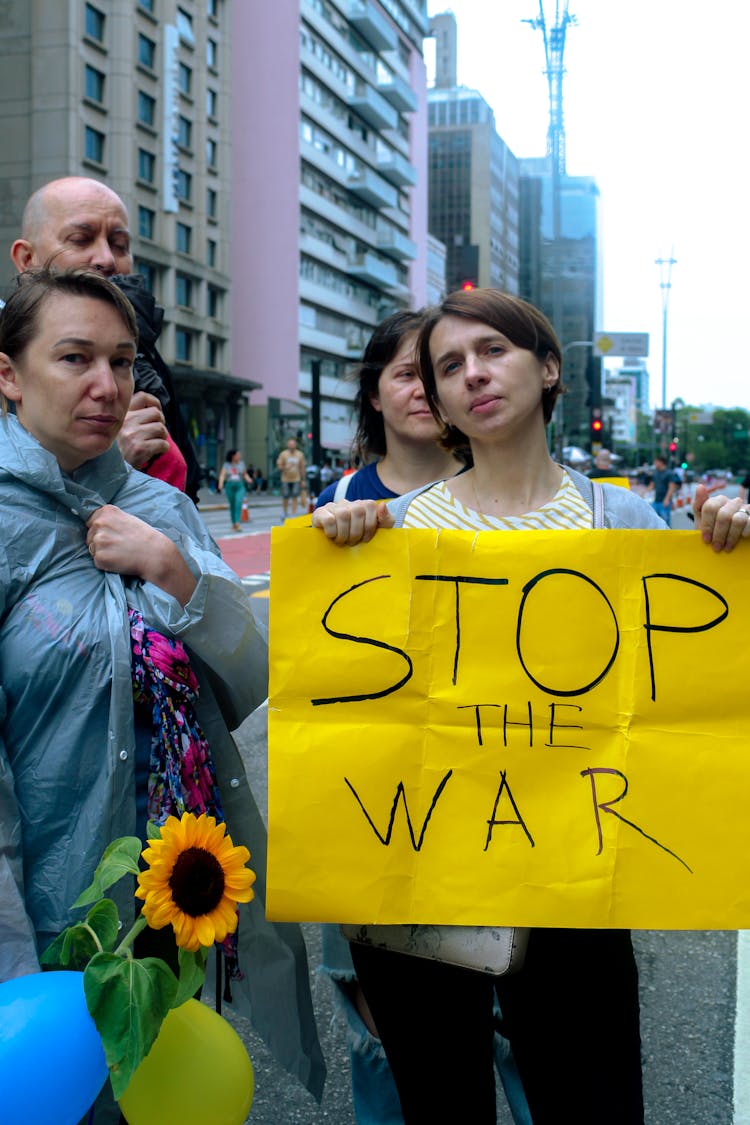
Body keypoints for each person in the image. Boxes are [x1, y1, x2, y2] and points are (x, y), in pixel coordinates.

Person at [312, 287, 750, 1124]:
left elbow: (697, 693)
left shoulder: (625, 522)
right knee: (443, 1106)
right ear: (435, 398)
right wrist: (336, 553)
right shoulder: (388, 530)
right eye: (448, 365)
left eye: (494, 350)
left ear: (548, 368)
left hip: (575, 888)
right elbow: (339, 706)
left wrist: (730, 544)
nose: (473, 373)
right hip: (425, 886)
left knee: (593, 1101)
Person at [0, 269, 325, 1119]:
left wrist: (177, 573)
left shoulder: (163, 510)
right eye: (74, 358)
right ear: (8, 374)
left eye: (121, 360)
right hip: (41, 919)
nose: (106, 385)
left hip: (171, 909)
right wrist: (14, 973)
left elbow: (252, 683)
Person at [315, 310, 529, 1125]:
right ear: (374, 391)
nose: (423, 388)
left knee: (519, 1027)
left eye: (430, 372)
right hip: (390, 817)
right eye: (406, 372)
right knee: (389, 1040)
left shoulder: (507, 494)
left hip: (503, 805)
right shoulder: (339, 509)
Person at [9, 175, 201, 501]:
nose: (107, 260)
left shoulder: (147, 356)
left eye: (119, 245)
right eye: (81, 239)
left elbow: (186, 502)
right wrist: (111, 465)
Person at [218, 448, 253, 531]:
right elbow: (222, 475)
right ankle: (233, 524)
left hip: (240, 486)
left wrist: (249, 479)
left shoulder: (241, 464)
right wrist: (220, 484)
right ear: (233, 456)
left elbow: (245, 474)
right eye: (238, 455)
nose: (239, 456)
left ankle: (237, 523)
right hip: (230, 486)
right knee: (232, 505)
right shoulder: (227, 465)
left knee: (238, 503)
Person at [276, 436, 306, 517]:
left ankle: (294, 513)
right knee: (285, 496)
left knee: (295, 496)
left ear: (295, 445)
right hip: (285, 479)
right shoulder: (283, 454)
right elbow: (279, 466)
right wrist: (285, 467)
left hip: (296, 478)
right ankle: (285, 512)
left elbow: (302, 467)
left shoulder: (300, 454)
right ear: (287, 445)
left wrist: (303, 480)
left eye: (293, 444)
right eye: (290, 444)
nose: (292, 446)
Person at [649, 454, 680, 525]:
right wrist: (642, 493)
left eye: (656, 462)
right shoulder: (655, 473)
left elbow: (671, 487)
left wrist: (667, 499)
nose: (654, 464)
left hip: (664, 501)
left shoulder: (669, 473)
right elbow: (651, 485)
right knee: (654, 520)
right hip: (656, 501)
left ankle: (667, 535)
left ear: (661, 462)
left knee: (665, 521)